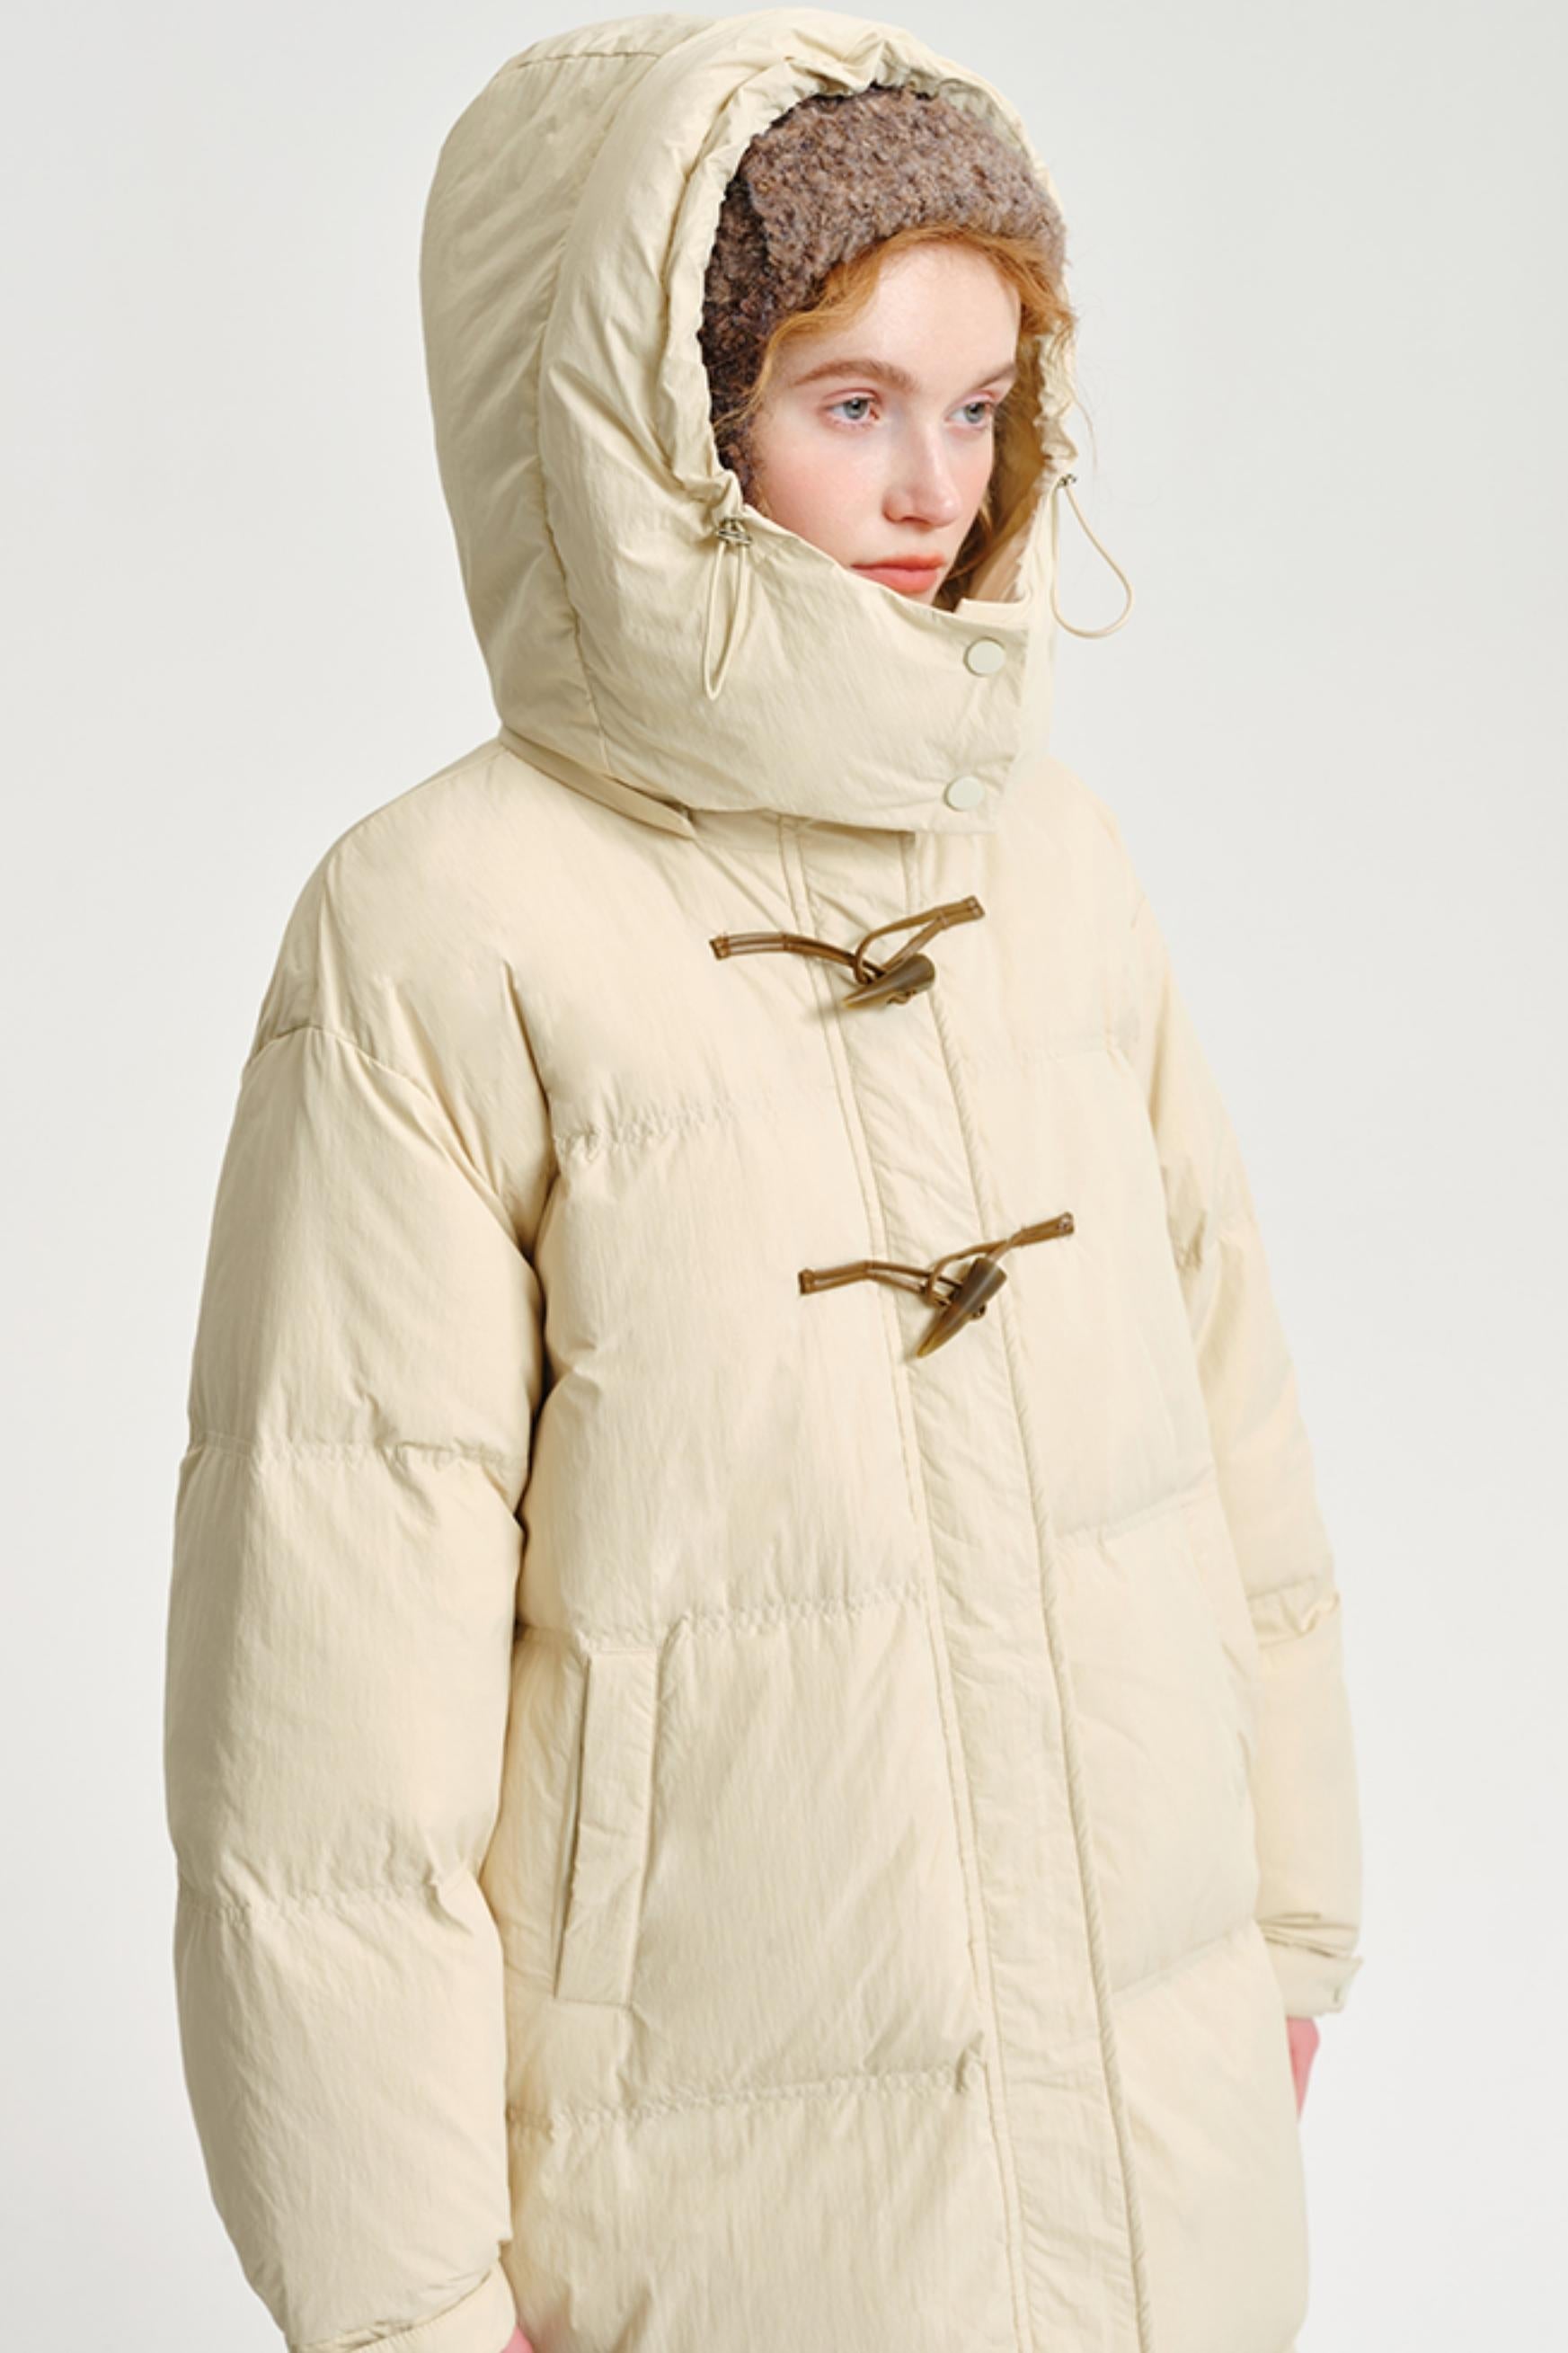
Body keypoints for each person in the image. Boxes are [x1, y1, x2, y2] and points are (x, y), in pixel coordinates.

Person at [162, 13, 1365, 2353]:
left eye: (981, 405)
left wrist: (1286, 1936)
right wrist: (402, 2295)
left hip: (1155, 2133)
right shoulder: (443, 923)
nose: (934, 486)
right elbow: (328, 1696)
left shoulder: (1054, 863)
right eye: (851, 398)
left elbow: (1235, 1436)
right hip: (700, 2201)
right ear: (666, 415)